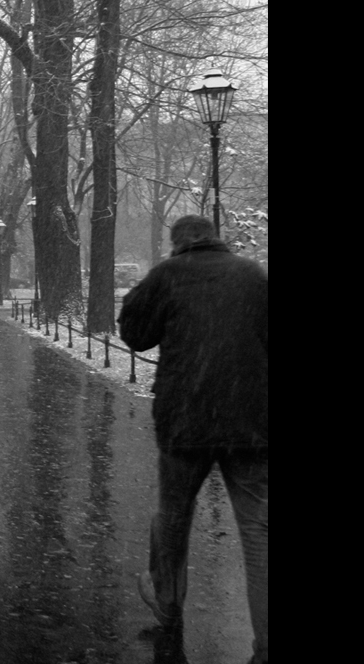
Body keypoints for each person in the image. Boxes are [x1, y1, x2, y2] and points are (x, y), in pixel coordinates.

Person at [118, 215, 268, 664]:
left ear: (177, 243)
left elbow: (135, 335)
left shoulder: (168, 276)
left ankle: (168, 602)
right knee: (258, 532)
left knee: (174, 515)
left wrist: (138, 302)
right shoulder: (254, 275)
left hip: (186, 420)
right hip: (251, 423)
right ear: (216, 238)